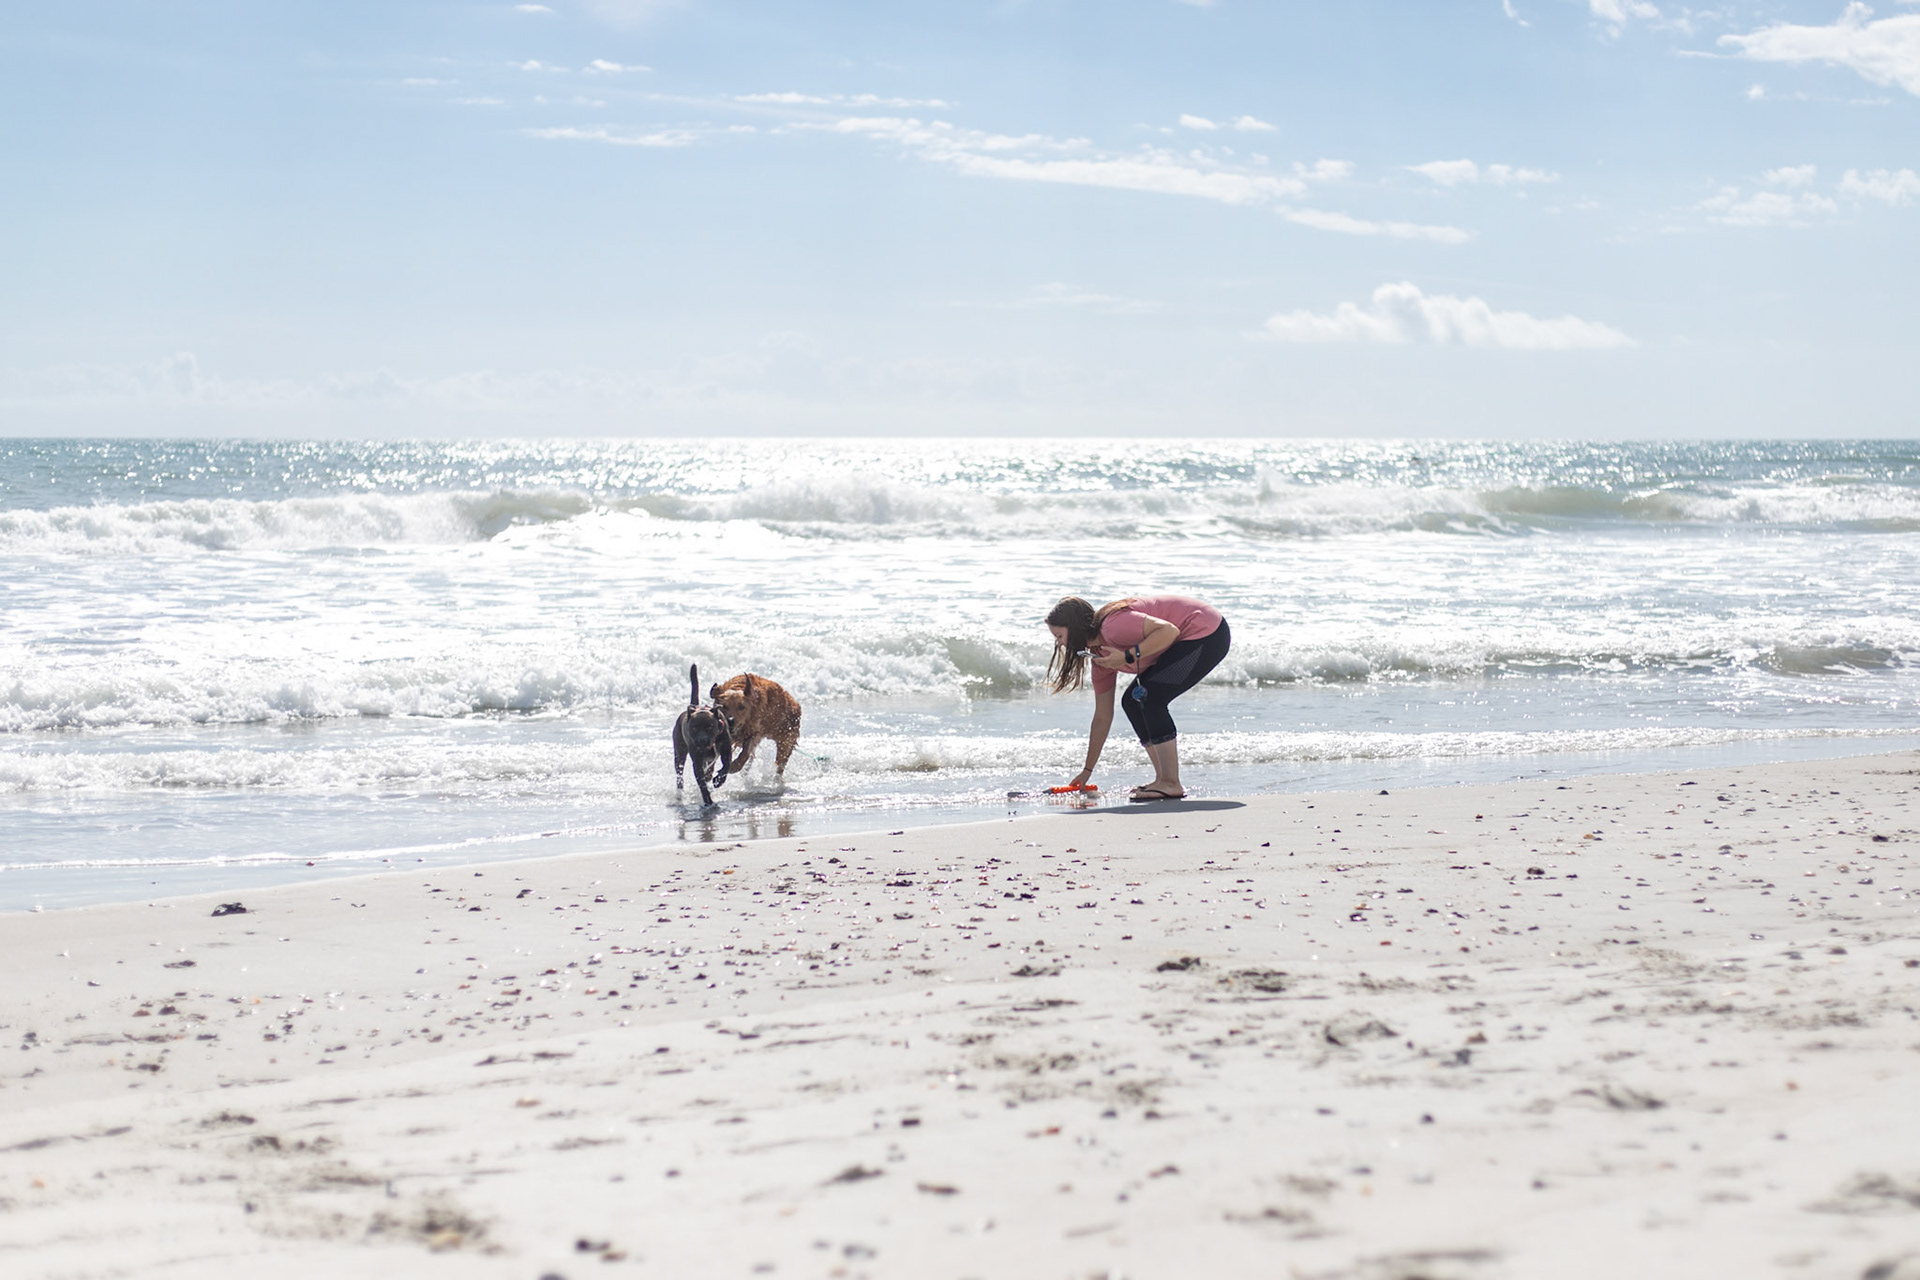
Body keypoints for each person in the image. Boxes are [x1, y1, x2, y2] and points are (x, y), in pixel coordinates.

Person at [1045, 594, 1231, 802]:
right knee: (1132, 701)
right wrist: (1087, 771)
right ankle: (1163, 780)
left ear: (1075, 628)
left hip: (1207, 631)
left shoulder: (1113, 626)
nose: (1059, 644)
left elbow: (1169, 631)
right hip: (1193, 635)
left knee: (1149, 699)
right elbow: (1102, 717)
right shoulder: (1101, 659)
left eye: (1059, 636)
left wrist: (1127, 656)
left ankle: (1170, 782)